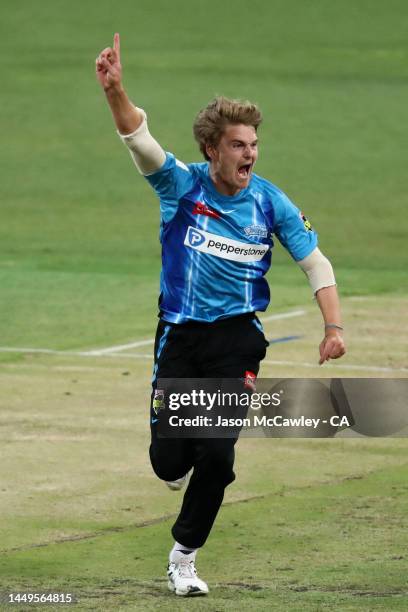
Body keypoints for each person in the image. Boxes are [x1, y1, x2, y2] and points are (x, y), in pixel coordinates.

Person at [95, 33, 346, 597]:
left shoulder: (269, 201)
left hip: (238, 340)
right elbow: (140, 139)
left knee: (219, 450)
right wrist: (116, 91)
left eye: (253, 144)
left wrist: (334, 328)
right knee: (167, 463)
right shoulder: (180, 188)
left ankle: (184, 556)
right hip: (179, 339)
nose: (249, 154)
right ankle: (177, 461)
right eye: (237, 144)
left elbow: (316, 263)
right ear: (213, 148)